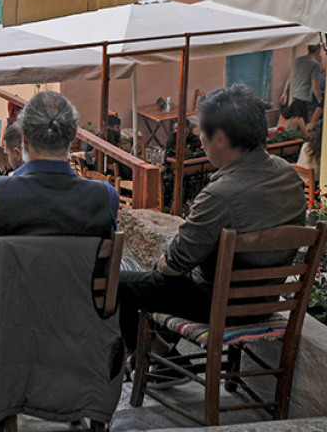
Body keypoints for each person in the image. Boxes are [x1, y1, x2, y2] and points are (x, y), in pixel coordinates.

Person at [117, 85, 307, 354]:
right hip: (265, 301)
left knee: (118, 283)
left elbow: (172, 265)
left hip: (217, 305)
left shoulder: (219, 195)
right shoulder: (288, 175)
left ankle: (155, 358)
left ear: (219, 138)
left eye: (202, 133)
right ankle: (158, 356)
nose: (199, 139)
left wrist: (163, 264)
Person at [0, 92, 119, 249]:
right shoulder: (105, 197)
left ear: (24, 137)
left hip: (12, 273)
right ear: (74, 134)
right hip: (76, 273)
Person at [280, 44, 323, 127]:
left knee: (293, 119)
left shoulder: (297, 60)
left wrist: (284, 92)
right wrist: (320, 100)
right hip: (305, 96)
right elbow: (315, 84)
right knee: (303, 121)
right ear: (318, 50)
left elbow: (290, 76)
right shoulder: (316, 65)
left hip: (295, 93)